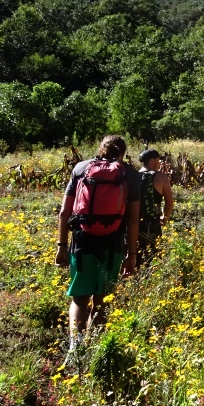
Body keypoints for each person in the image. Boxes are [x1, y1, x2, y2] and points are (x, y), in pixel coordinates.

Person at [54, 135, 141, 357]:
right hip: (113, 241)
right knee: (102, 297)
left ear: (100, 149)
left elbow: (65, 212)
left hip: (83, 239)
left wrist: (61, 246)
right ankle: (96, 349)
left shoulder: (81, 168)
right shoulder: (129, 174)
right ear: (123, 153)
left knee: (80, 297)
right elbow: (133, 220)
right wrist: (132, 255)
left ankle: (76, 347)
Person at [136, 148, 174, 268]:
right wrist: (165, 218)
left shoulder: (133, 176)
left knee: (135, 255)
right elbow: (169, 203)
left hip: (133, 224)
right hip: (152, 224)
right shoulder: (160, 178)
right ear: (152, 161)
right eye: (158, 160)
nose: (160, 163)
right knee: (152, 257)